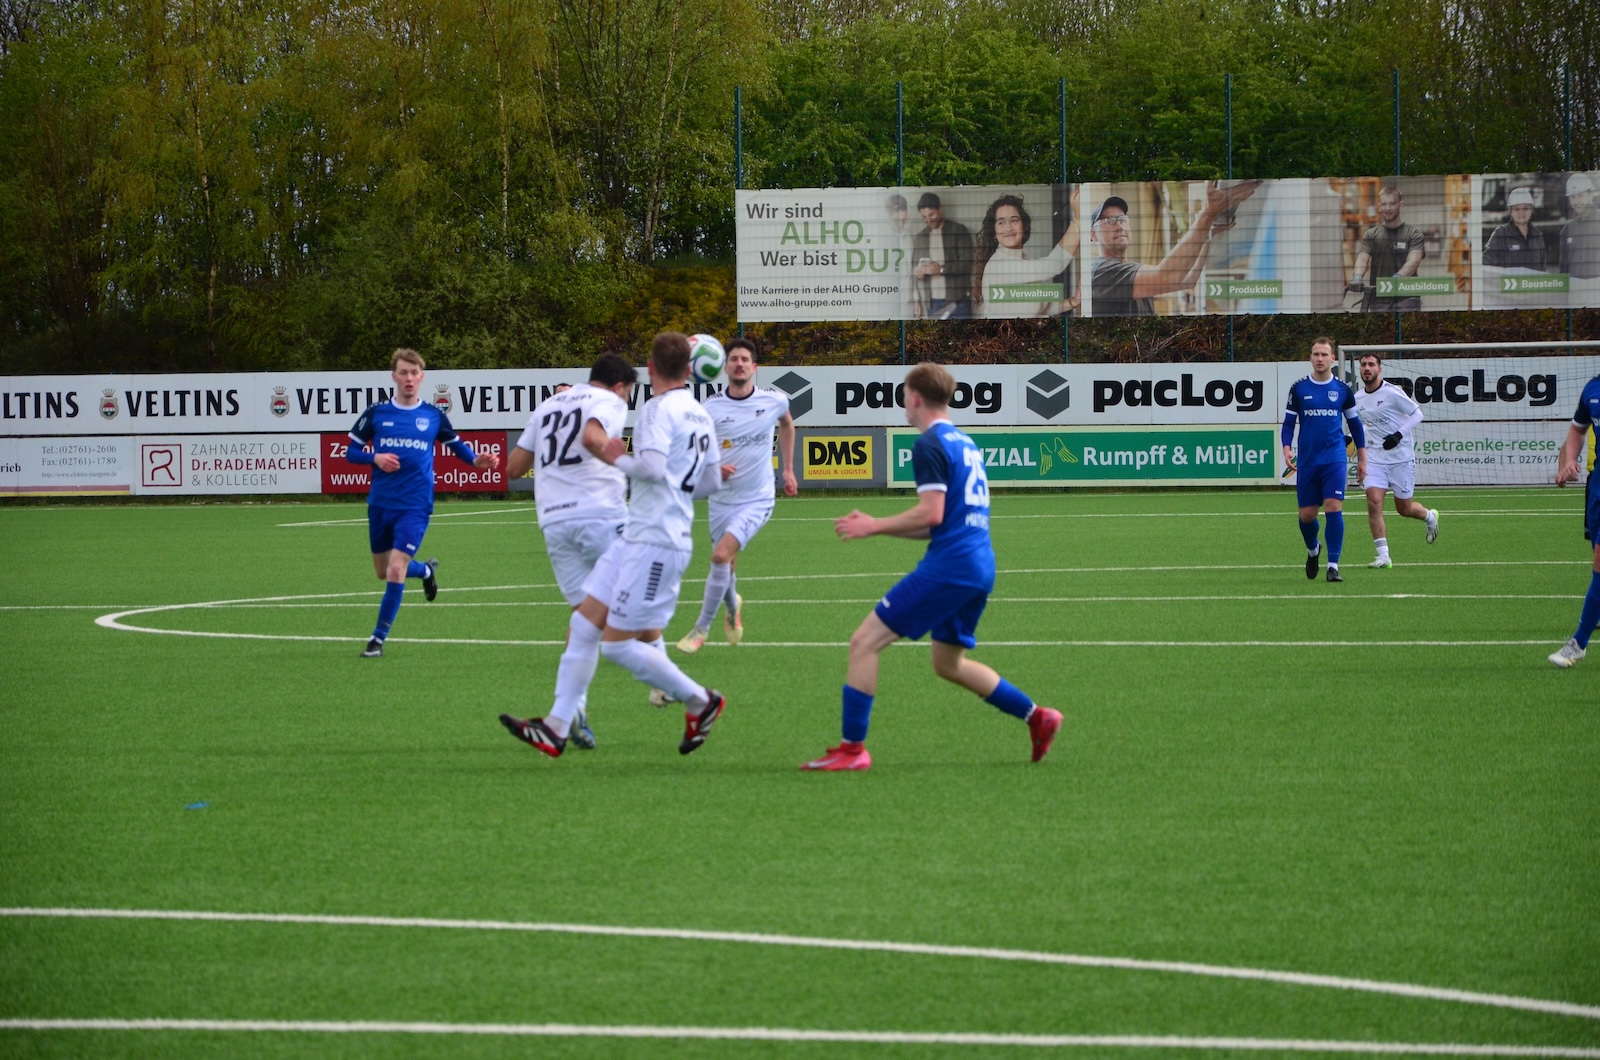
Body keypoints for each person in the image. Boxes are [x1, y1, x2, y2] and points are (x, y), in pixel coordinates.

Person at [801, 362, 1062, 772]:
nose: (903, 402)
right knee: (948, 664)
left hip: (951, 566)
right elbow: (940, 522)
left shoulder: (928, 444)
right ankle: (1037, 716)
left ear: (916, 397)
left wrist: (874, 525)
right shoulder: (965, 442)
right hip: (979, 565)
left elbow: (932, 514)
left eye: (905, 395)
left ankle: (852, 750)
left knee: (864, 642)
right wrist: (883, 530)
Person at [500, 332, 728, 757]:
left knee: (619, 644)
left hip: (656, 539)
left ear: (651, 368)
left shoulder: (657, 409)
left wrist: (614, 457)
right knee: (585, 625)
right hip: (637, 534)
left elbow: (652, 469)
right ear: (691, 370)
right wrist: (677, 487)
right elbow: (712, 480)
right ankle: (556, 726)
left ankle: (701, 700)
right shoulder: (700, 411)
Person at [505, 353, 639, 749]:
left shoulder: (549, 405)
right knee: (635, 599)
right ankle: (681, 692)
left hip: (554, 521)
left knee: (585, 618)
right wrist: (636, 468)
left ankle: (569, 713)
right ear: (619, 386)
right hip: (600, 513)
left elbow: (514, 468)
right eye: (628, 394)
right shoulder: (609, 402)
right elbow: (594, 439)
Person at [345, 347, 501, 657]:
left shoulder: (432, 415)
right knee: (383, 570)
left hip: (415, 506)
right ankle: (426, 572)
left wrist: (475, 461)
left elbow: (456, 445)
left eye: (414, 373)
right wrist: (375, 457)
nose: (409, 378)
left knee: (395, 569)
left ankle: (377, 640)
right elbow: (351, 452)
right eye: (403, 372)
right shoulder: (376, 413)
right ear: (394, 376)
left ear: (422, 377)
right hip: (381, 504)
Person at [675, 337, 797, 654]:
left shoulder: (774, 401)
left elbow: (787, 424)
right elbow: (694, 452)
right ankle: (733, 606)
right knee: (726, 565)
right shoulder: (709, 409)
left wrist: (788, 469)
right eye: (734, 359)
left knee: (719, 556)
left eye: (745, 359)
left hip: (757, 499)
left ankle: (701, 628)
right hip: (720, 500)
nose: (739, 364)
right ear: (725, 367)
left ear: (754, 367)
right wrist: (713, 469)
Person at [1089, 180, 1259, 316]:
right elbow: (1167, 277)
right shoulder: (1100, 272)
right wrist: (1208, 215)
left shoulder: (1130, 271)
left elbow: (1189, 280)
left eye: (1122, 219)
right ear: (1093, 234)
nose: (1119, 226)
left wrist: (1207, 235)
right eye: (1109, 221)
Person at [1281, 337, 1367, 583]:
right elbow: (1288, 423)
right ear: (1310, 358)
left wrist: (1363, 457)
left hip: (1334, 458)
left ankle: (1333, 566)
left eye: (1324, 354)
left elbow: (1355, 425)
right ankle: (1313, 550)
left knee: (1333, 506)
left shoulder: (1342, 390)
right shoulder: (1299, 388)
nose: (1320, 359)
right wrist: (1286, 448)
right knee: (1307, 516)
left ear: (1332, 358)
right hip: (1308, 460)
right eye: (1316, 354)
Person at [1354, 353, 1438, 568]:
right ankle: (1384, 556)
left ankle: (1429, 517)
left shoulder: (1392, 392)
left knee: (1404, 509)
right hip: (1375, 458)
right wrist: (1351, 438)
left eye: (1371, 365)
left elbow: (1417, 414)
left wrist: (1398, 435)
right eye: (1363, 365)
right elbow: (1364, 424)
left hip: (1401, 458)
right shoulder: (1357, 398)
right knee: (1373, 503)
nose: (1367, 368)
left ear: (1379, 369)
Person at [1548, 371, 1600, 668]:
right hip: (1597, 486)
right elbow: (1578, 430)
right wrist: (1569, 461)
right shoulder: (1592, 388)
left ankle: (1578, 643)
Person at [969, 189, 1081, 319]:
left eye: (1014, 220)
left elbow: (1039, 308)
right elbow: (1052, 266)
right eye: (1001, 222)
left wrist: (1072, 302)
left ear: (1024, 226)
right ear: (994, 233)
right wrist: (1078, 220)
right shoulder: (1000, 264)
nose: (1008, 228)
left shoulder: (1024, 259)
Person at [1348, 185, 1425, 312]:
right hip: (1379, 300)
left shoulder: (1414, 234)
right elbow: (1362, 259)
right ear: (1379, 206)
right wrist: (1357, 277)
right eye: (1384, 204)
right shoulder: (1371, 235)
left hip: (1406, 299)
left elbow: (1414, 261)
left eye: (1392, 204)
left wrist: (1397, 278)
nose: (1388, 208)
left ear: (1400, 205)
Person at [910, 193, 975, 319]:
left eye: (931, 215)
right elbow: (915, 268)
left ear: (941, 209)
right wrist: (918, 274)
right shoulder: (920, 237)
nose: (928, 220)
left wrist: (940, 269)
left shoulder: (959, 231)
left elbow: (967, 264)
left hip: (958, 300)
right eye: (924, 217)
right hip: (932, 303)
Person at [1482, 187, 1547, 270]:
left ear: (1531, 210)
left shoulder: (1537, 237)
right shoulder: (1501, 234)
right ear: (1510, 211)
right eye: (1517, 209)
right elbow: (1486, 260)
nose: (1521, 212)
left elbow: (1542, 270)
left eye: (1525, 208)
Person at [885, 193, 922, 319]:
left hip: (908, 299)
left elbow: (912, 269)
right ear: (889, 215)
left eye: (904, 220)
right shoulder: (882, 237)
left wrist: (916, 299)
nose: (901, 225)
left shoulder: (908, 237)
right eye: (898, 221)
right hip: (888, 300)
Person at [1558, 173, 1600, 282]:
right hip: (1575, 289)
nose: (1576, 201)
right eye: (1573, 197)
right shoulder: (1567, 230)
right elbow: (1563, 270)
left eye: (1580, 195)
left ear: (1590, 195)